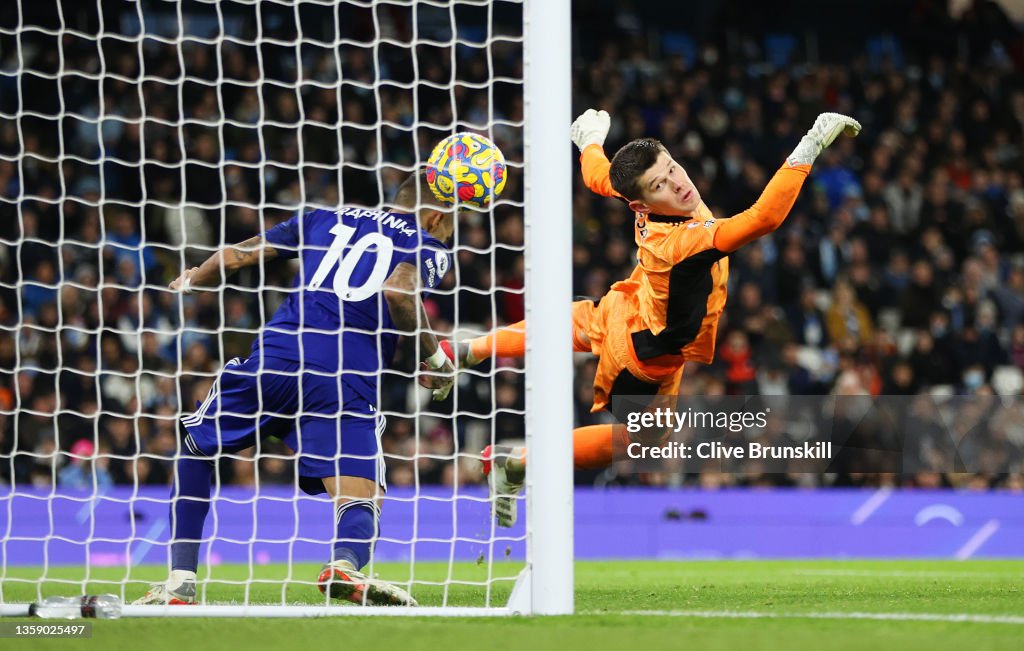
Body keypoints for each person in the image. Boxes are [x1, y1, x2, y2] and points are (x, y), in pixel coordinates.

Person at [449, 109, 860, 526]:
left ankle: (467, 350)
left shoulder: (638, 192)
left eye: (672, 168)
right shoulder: (685, 241)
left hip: (637, 301)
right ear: (640, 202)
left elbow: (599, 176)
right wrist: (810, 144)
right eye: (660, 184)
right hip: (646, 359)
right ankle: (518, 464)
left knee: (577, 323)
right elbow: (764, 218)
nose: (678, 184)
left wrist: (589, 141)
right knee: (644, 439)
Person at [134, 170, 457, 606]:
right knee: (361, 489)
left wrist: (194, 278)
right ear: (436, 218)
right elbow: (399, 292)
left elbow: (237, 257)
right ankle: (343, 565)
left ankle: (179, 580)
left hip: (279, 355)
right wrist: (436, 357)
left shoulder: (324, 216)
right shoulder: (429, 246)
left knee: (195, 445)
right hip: (344, 377)